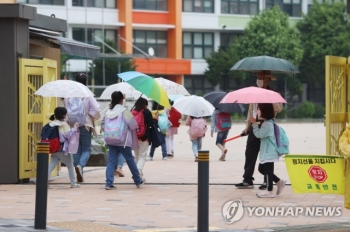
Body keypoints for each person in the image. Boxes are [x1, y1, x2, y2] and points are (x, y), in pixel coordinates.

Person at [235, 70, 283, 189]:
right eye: (258, 77)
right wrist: (247, 127)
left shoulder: (273, 93)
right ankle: (247, 179)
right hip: (254, 126)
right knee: (250, 153)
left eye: (262, 77)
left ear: (268, 79)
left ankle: (267, 181)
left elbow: (279, 108)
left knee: (266, 155)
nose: (259, 80)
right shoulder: (255, 94)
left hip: (266, 125)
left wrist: (268, 98)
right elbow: (251, 111)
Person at [102, 91, 144, 190]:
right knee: (130, 160)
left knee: (111, 161)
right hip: (123, 140)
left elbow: (103, 125)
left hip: (111, 139)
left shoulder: (108, 111)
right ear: (121, 99)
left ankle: (108, 183)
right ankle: (138, 181)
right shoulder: (124, 111)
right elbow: (133, 125)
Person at [65, 73, 101, 183]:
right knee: (86, 149)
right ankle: (80, 166)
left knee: (76, 149)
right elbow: (96, 109)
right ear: (86, 82)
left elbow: (66, 111)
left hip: (73, 126)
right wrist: (91, 117)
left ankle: (79, 171)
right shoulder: (87, 95)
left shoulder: (69, 95)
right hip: (85, 125)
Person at [250, 103, 286, 198]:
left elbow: (259, 135)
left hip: (269, 152)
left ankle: (269, 191)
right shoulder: (269, 123)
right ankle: (279, 181)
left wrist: (254, 124)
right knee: (262, 169)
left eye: (259, 109)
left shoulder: (267, 124)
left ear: (264, 112)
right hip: (269, 152)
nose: (257, 111)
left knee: (267, 170)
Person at [47, 107, 80, 188]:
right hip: (62, 148)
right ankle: (73, 183)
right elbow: (68, 136)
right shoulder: (64, 124)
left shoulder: (53, 123)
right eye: (66, 114)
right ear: (64, 115)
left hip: (54, 148)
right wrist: (75, 128)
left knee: (51, 165)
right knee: (70, 165)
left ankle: (43, 182)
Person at [132, 97, 153, 178]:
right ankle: (137, 172)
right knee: (142, 156)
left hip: (134, 137)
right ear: (145, 105)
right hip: (144, 137)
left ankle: (138, 175)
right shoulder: (146, 112)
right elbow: (150, 124)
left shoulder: (132, 111)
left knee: (137, 157)